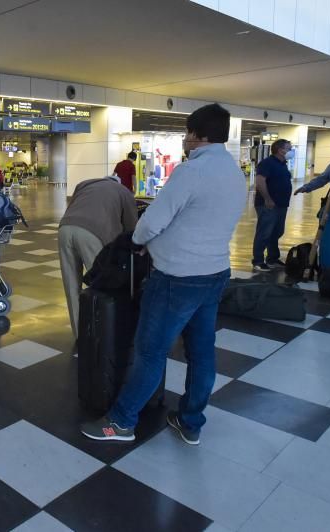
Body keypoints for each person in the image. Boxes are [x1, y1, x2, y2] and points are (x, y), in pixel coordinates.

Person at [80, 103, 246, 446]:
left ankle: (121, 422)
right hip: (215, 273)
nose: (186, 140)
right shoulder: (233, 171)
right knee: (201, 352)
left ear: (197, 135)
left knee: (150, 352)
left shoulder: (191, 171)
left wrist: (139, 241)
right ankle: (191, 422)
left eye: (187, 133)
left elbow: (153, 221)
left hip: (177, 278)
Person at [59, 176, 138, 338]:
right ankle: (103, 332)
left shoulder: (83, 184)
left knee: (71, 284)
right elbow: (132, 228)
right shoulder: (124, 192)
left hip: (65, 228)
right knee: (102, 283)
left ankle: (79, 335)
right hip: (92, 233)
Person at [252, 139, 293, 272]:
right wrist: (267, 199)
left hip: (281, 204)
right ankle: (258, 260)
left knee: (277, 232)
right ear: (280, 150)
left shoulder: (283, 164)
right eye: (289, 148)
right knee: (264, 232)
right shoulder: (267, 163)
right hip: (268, 205)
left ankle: (273, 258)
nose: (291, 151)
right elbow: (260, 181)